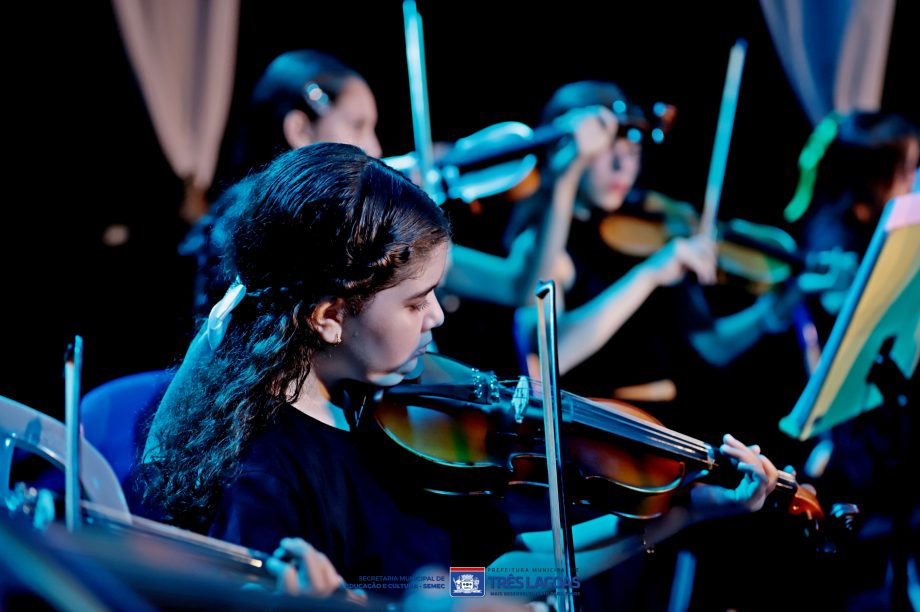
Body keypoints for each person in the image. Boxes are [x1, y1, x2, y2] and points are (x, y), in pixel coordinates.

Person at [138, 142, 781, 607]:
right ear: (330, 316)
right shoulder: (262, 479)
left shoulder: (402, 419)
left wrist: (680, 514)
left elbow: (497, 574)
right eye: (416, 300)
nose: (438, 316)